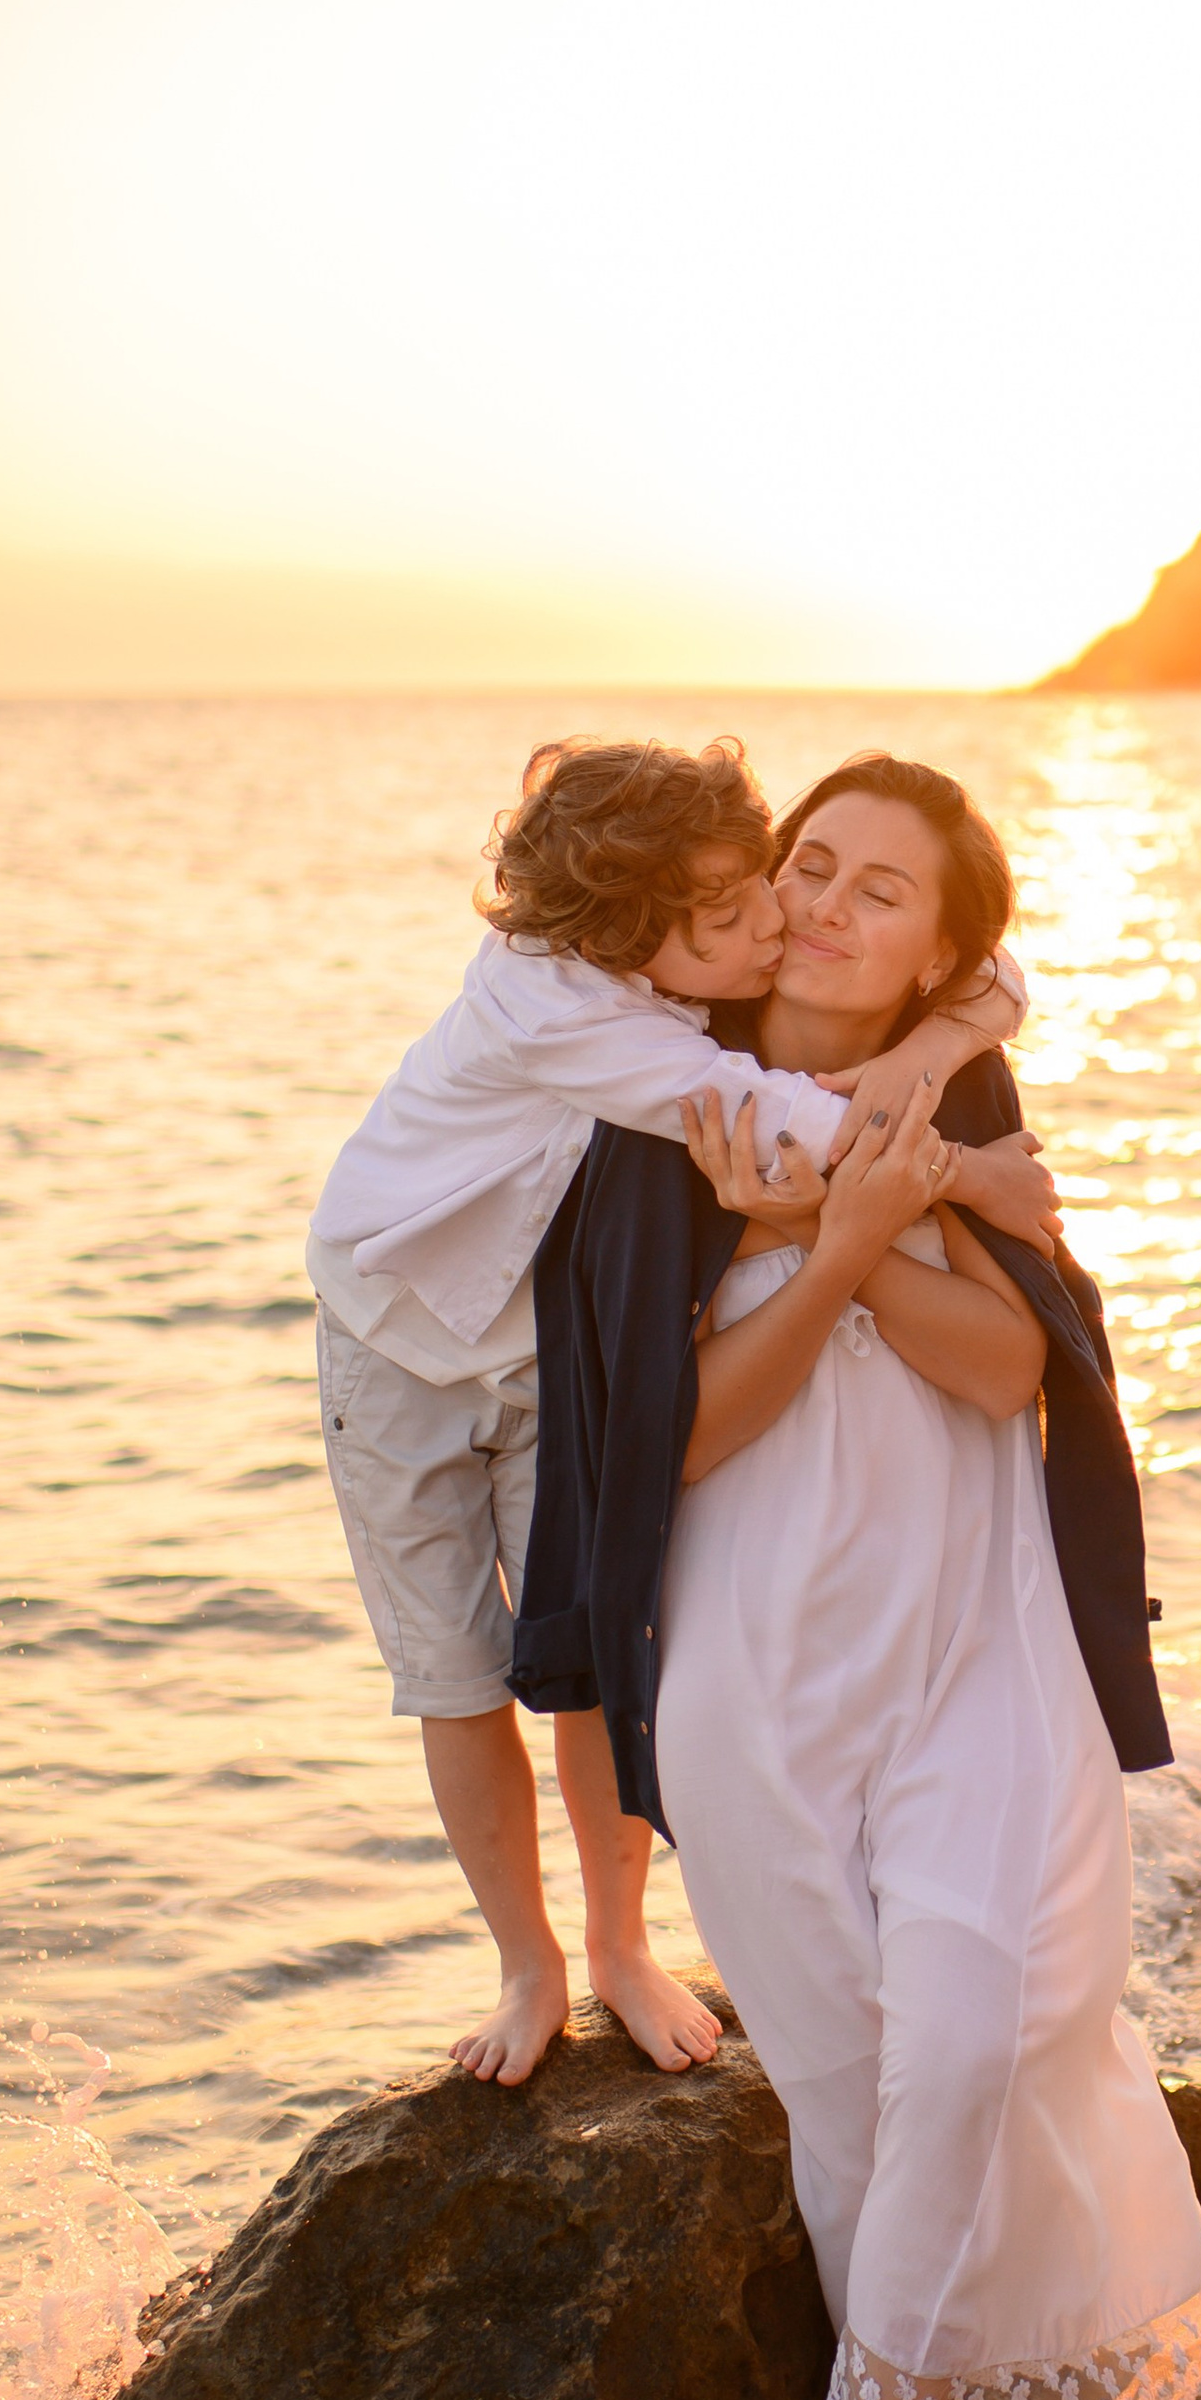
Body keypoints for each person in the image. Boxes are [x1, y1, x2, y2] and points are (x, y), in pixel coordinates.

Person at [518, 750, 1201, 2400]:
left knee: (985, 2032)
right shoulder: (657, 1117)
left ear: (942, 945)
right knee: (853, 2094)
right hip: (752, 1678)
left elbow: (1016, 1372)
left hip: (964, 1656)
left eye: (878, 887)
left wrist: (900, 1207)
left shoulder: (960, 1095)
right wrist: (834, 1238)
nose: (825, 904)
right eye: (806, 865)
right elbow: (654, 1445)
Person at [307, 732, 1030, 2087]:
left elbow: (996, 971)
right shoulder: (575, 1017)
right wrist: (982, 1183)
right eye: (738, 917)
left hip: (539, 1349)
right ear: (641, 947)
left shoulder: (678, 968)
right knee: (456, 1681)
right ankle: (530, 1964)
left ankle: (623, 1946)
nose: (780, 924)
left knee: (592, 1648)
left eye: (770, 886)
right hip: (393, 1343)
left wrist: (947, 1028)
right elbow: (790, 1139)